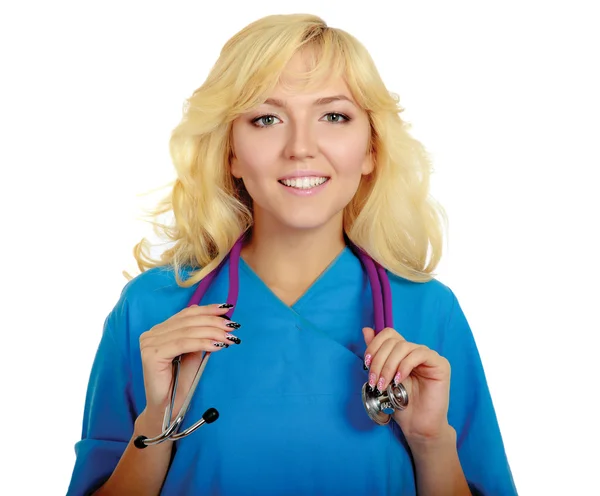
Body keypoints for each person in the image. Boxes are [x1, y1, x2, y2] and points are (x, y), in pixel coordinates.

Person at [67, 13, 517, 496]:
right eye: (266, 118)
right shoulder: (150, 312)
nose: (301, 148)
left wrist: (432, 443)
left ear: (370, 150)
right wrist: (158, 422)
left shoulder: (429, 311)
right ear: (231, 153)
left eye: (334, 116)